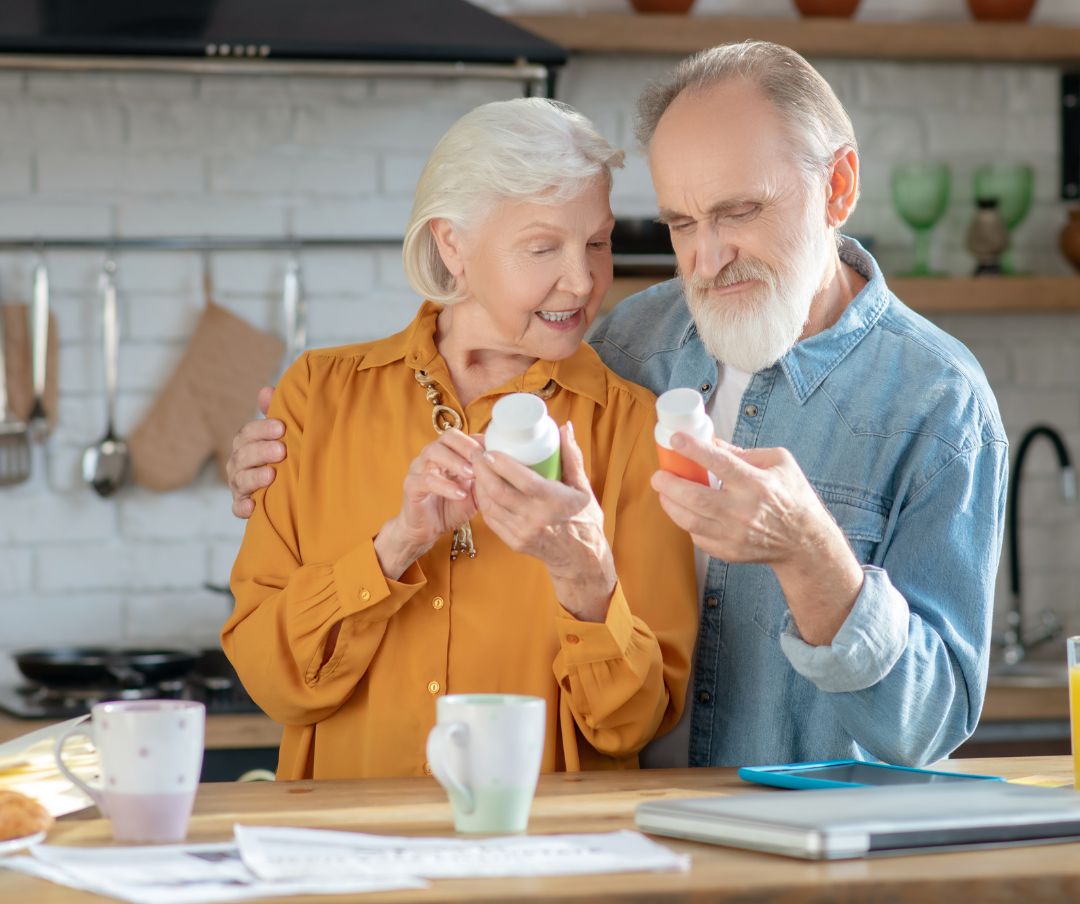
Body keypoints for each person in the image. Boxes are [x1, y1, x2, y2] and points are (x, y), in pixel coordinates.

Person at [227, 42, 1007, 771]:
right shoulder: (630, 341)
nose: (705, 257)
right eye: (680, 223)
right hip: (642, 847)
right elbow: (476, 362)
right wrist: (292, 455)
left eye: (738, 212)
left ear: (837, 187)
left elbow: (930, 723)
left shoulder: (939, 404)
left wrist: (811, 554)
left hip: (811, 854)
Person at [220, 98, 698, 781]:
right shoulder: (317, 396)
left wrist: (584, 582)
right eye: (542, 247)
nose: (584, 279)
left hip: (542, 863)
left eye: (597, 241)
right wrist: (394, 548)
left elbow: (632, 723)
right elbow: (273, 683)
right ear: (453, 245)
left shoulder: (629, 429)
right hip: (350, 858)